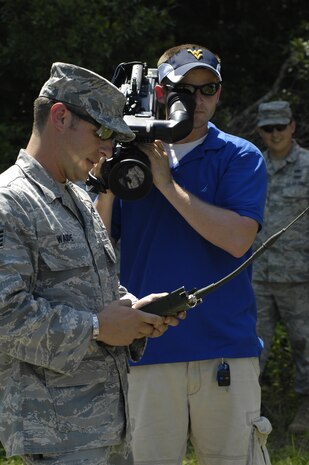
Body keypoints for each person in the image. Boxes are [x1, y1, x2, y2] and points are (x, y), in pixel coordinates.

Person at [96, 44, 272, 465]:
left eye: (207, 88)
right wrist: (105, 178)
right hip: (147, 349)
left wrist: (165, 182)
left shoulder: (239, 156)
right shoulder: (129, 155)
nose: (196, 101)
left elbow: (237, 239)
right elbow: (100, 242)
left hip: (225, 350)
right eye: (183, 89)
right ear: (159, 90)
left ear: (219, 93)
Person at [0, 62, 182, 465]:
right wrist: (99, 327)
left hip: (109, 425)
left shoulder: (80, 197)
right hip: (58, 433)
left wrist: (134, 312)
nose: (107, 149)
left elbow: (96, 289)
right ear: (60, 116)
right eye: (101, 132)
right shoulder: (9, 203)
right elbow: (5, 316)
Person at [253, 100, 309, 434]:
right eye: (268, 128)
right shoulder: (251, 165)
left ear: (292, 127)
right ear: (261, 131)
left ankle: (306, 408)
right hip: (257, 274)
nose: (274, 134)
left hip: (300, 277)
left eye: (280, 127)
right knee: (251, 346)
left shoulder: (307, 165)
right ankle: (248, 408)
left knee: (306, 344)